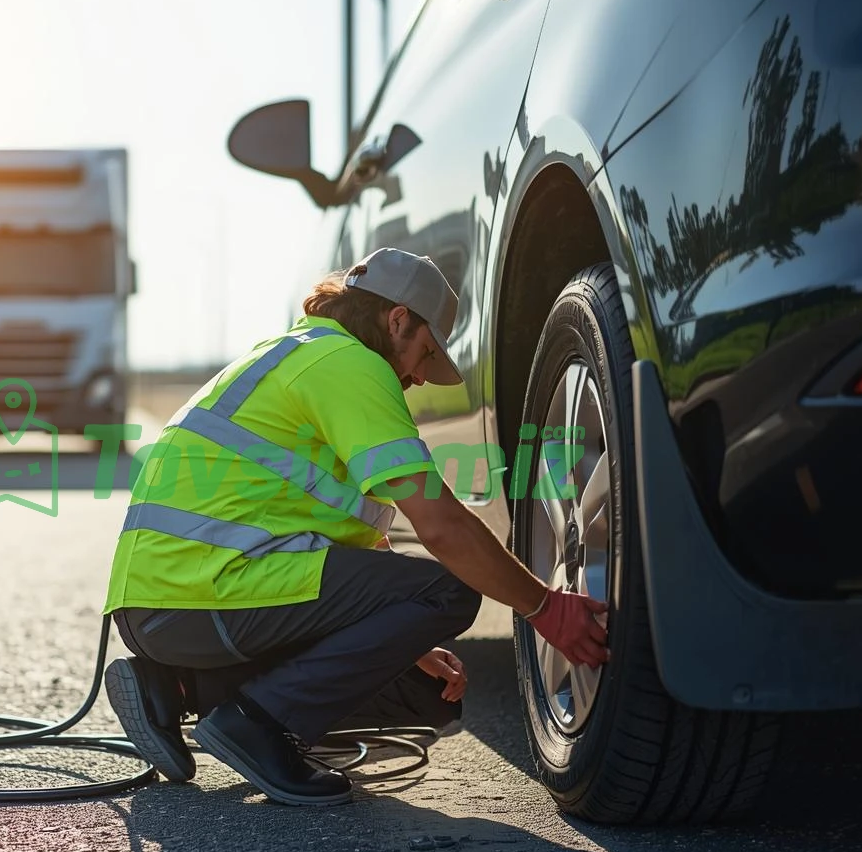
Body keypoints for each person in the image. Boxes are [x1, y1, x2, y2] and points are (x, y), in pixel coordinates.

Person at [101, 247, 608, 806]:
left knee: (426, 695)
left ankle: (173, 688)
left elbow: (359, 543)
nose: (418, 376)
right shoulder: (350, 365)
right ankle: (255, 722)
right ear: (397, 320)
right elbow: (440, 526)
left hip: (172, 604)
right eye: (423, 352)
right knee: (450, 593)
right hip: (200, 595)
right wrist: (544, 608)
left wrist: (402, 640)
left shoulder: (295, 354)